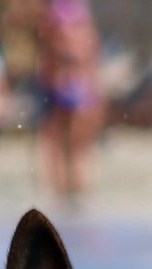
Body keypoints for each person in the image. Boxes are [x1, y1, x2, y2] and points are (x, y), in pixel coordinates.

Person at [28, 0, 104, 205]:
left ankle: (67, 187)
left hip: (68, 81)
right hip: (73, 81)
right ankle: (71, 187)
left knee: (63, 137)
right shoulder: (75, 19)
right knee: (69, 138)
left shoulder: (60, 21)